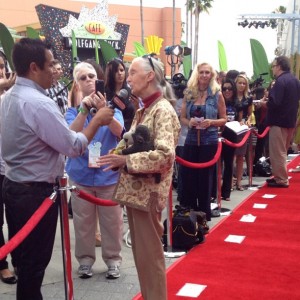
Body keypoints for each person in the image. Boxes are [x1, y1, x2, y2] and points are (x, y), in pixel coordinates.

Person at [0, 38, 113, 300]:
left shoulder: (9, 98)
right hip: (35, 194)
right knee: (33, 266)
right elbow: (73, 147)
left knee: (26, 263)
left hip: (16, 187)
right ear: (34, 67)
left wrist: (84, 110)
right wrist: (96, 120)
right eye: (51, 64)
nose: (56, 70)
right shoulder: (38, 103)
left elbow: (60, 139)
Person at [98, 56, 180, 300]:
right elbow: (131, 141)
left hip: (148, 195)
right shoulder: (145, 109)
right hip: (137, 194)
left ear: (150, 76)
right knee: (143, 260)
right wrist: (115, 156)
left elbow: (165, 157)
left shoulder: (162, 110)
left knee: (150, 260)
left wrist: (125, 161)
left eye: (133, 72)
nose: (128, 78)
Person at [65, 62, 124, 279]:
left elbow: (120, 131)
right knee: (83, 224)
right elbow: (70, 137)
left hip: (108, 174)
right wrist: (84, 110)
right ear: (77, 84)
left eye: (92, 76)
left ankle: (113, 260)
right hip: (81, 175)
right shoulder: (72, 112)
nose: (89, 80)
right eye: (83, 78)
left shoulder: (112, 108)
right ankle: (85, 261)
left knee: (112, 223)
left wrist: (102, 112)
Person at [180, 62, 226, 221]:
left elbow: (224, 119)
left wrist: (211, 122)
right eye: (202, 72)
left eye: (208, 72)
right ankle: (190, 211)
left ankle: (204, 212)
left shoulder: (217, 94)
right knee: (189, 176)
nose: (204, 75)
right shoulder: (189, 93)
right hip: (191, 139)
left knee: (206, 178)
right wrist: (189, 122)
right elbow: (183, 118)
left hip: (210, 140)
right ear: (197, 74)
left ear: (212, 75)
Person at [264, 56, 300, 187]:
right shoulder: (295, 80)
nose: (273, 69)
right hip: (290, 120)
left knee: (277, 152)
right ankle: (279, 175)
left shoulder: (280, 81)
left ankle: (281, 179)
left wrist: (266, 101)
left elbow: (275, 102)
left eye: (273, 66)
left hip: (279, 121)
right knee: (282, 151)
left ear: (278, 66)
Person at [0, 51, 17, 285]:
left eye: (2, 66)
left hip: (12, 168)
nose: (1, 72)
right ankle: (2, 264)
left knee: (16, 218)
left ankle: (19, 260)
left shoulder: (12, 96)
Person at [220, 78, 241, 201]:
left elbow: (240, 119)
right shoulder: (218, 101)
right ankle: (215, 192)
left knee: (229, 164)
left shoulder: (237, 104)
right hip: (220, 135)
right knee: (218, 165)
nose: (227, 91)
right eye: (224, 89)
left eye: (229, 88)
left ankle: (226, 193)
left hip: (232, 134)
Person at [105, 58, 135, 132]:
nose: (119, 73)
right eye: (116, 71)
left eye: (122, 70)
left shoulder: (131, 91)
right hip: (110, 130)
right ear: (110, 74)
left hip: (129, 131)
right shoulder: (105, 92)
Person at [234, 74, 253, 190]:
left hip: (243, 129)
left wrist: (248, 121)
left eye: (244, 83)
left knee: (241, 156)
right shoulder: (230, 96)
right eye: (239, 83)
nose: (241, 85)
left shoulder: (248, 97)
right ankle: (230, 179)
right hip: (232, 127)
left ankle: (239, 182)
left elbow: (250, 113)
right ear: (235, 83)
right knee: (231, 156)